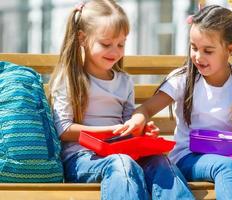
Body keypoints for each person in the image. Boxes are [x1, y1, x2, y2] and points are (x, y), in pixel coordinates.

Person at [115, 5, 232, 200]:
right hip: (189, 156)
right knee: (225, 167)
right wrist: (138, 119)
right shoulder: (183, 79)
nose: (198, 56)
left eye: (208, 50)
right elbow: (147, 108)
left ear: (231, 49)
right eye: (194, 47)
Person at [48, 0, 194, 199]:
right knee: (122, 164)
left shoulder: (124, 82)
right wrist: (107, 133)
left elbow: (128, 126)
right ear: (82, 38)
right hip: (82, 159)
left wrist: (141, 130)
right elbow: (63, 129)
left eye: (121, 44)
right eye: (106, 44)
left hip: (121, 153)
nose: (115, 52)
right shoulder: (70, 78)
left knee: (161, 162)